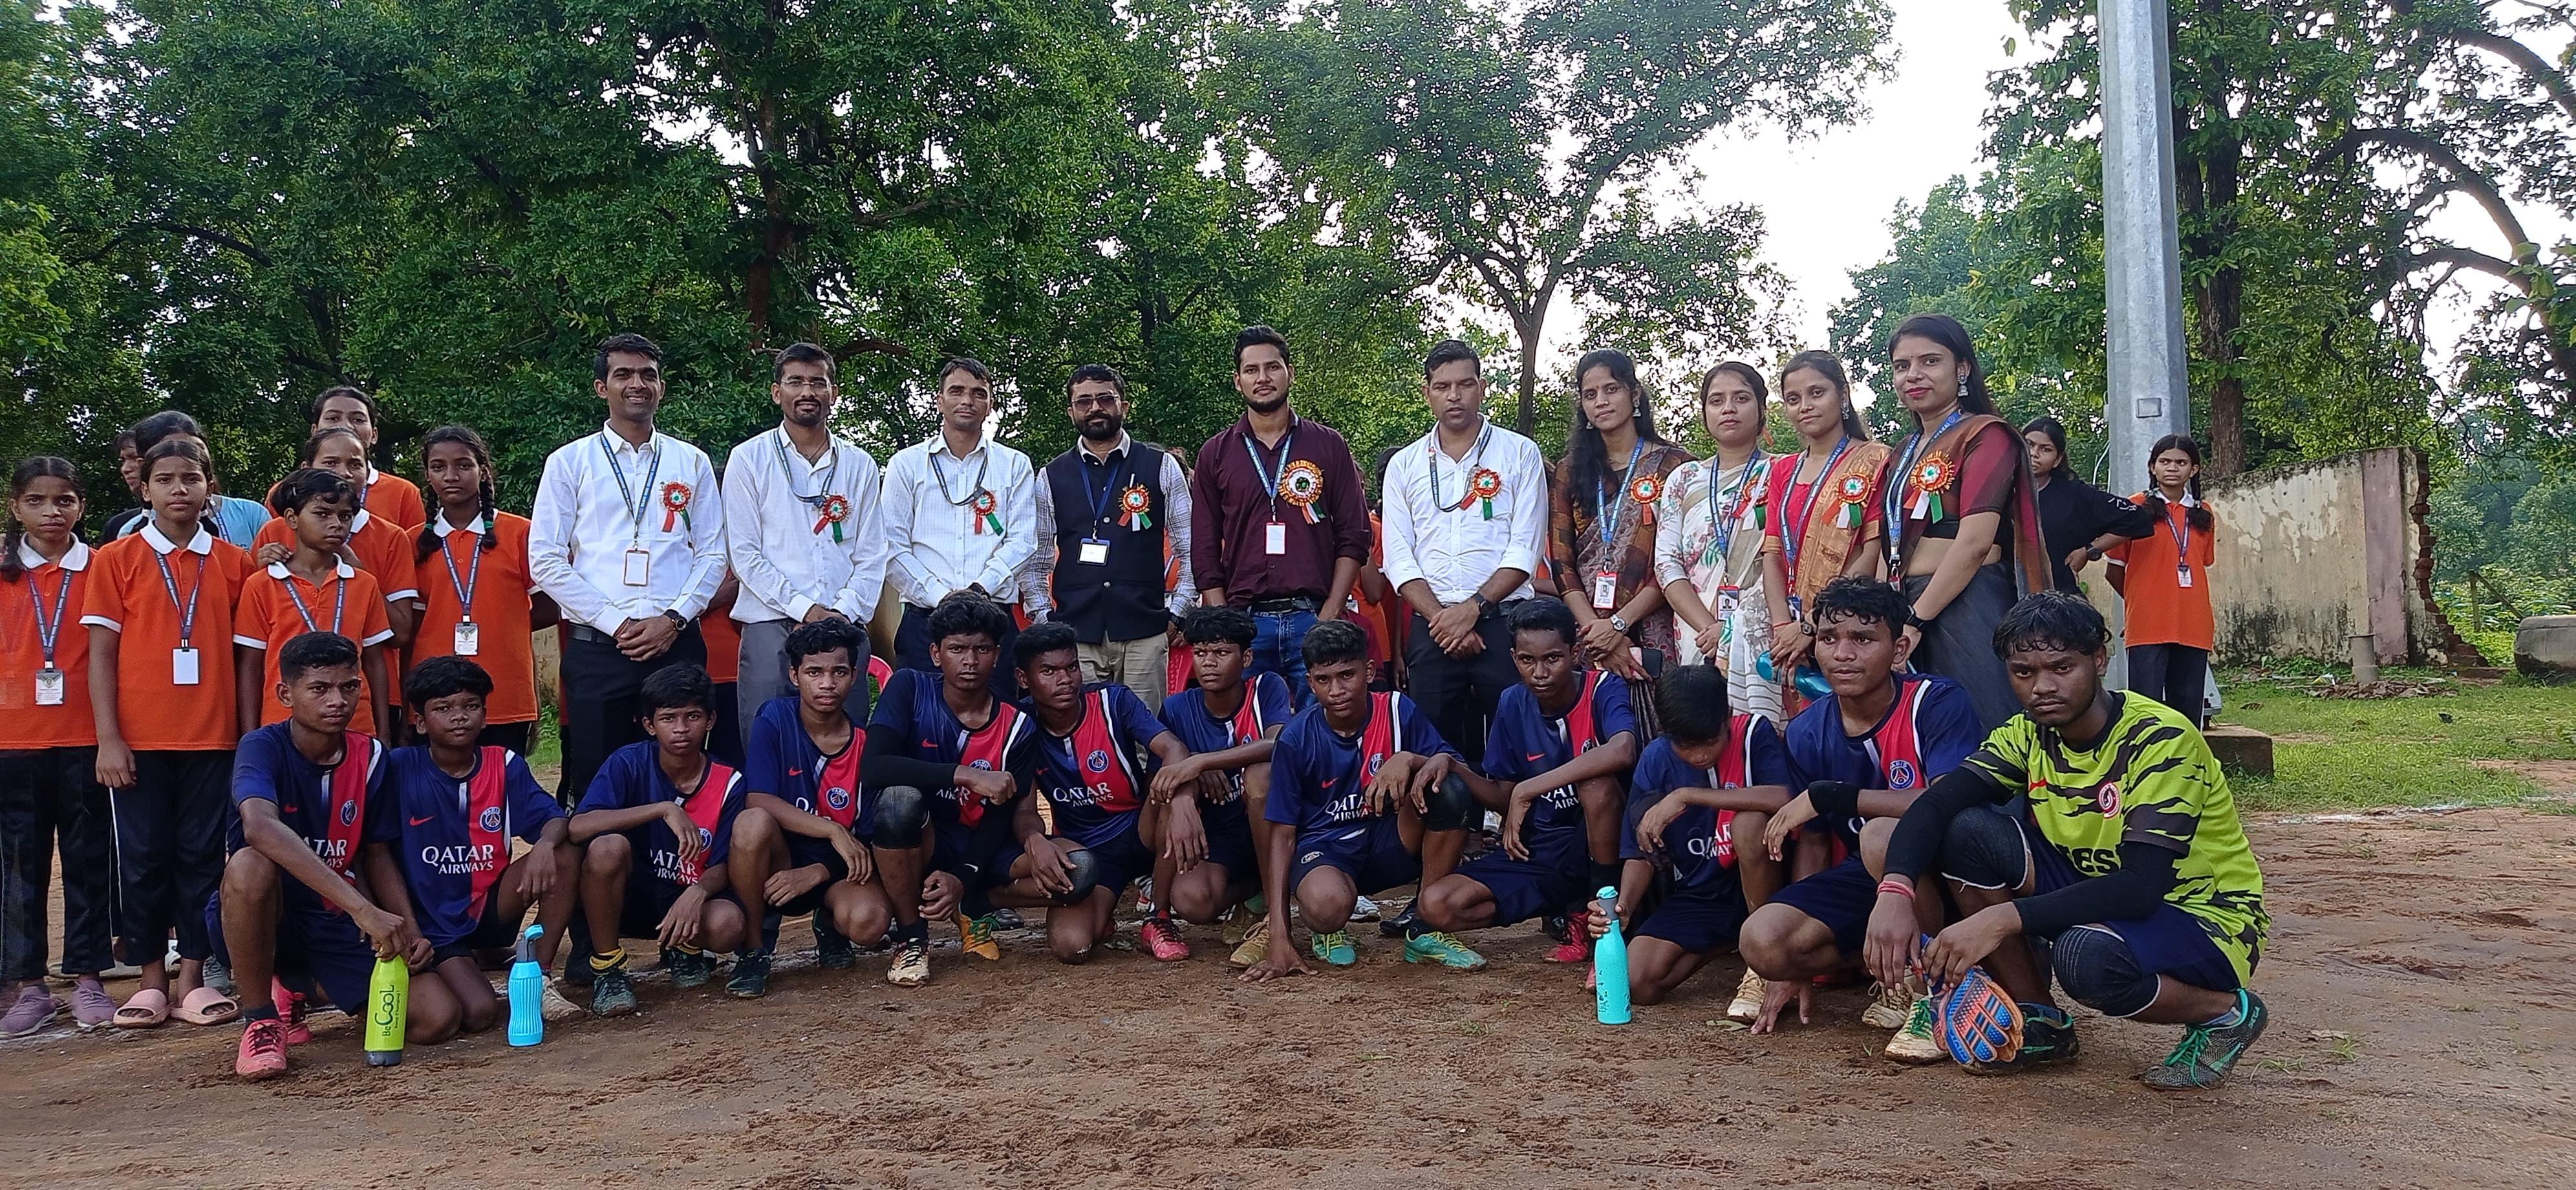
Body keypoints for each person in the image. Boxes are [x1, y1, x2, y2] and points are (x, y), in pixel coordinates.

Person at [1866, 592, 2270, 1087]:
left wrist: (1998, 919)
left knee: (2085, 958)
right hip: (2099, 890)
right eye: (2024, 672)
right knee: (1964, 830)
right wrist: (1895, 890)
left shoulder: (2160, 739)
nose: (2043, 687)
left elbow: (2141, 886)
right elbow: (1935, 805)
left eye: (2062, 668)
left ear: (2099, 660)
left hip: (2204, 917)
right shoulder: (2027, 734)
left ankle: (2225, 1013)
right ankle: (2041, 1020)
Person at [1734, 577, 1980, 1059]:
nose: (1842, 654)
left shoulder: (1935, 702)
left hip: (1948, 876)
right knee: (1763, 942)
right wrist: (1796, 964)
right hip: (1869, 877)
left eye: (1863, 639)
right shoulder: (1806, 730)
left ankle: (1933, 992)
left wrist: (1837, 797)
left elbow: (1950, 800)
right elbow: (1814, 842)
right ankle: (1888, 968)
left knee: (1882, 836)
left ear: (1899, 649)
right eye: (1829, 638)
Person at [211, 631, 447, 1079]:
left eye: (349, 687)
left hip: (333, 918)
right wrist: (363, 909)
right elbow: (258, 827)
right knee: (249, 864)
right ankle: (261, 1019)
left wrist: (409, 930)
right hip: (269, 913)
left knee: (435, 1018)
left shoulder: (371, 755)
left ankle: (301, 986)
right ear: (286, 694)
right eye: (319, 689)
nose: (337, 701)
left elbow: (376, 853)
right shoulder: (261, 746)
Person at [83, 435, 259, 1029]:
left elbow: (246, 659)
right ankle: (150, 978)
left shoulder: (234, 563)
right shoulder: (116, 559)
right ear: (144, 488)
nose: (179, 490)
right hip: (138, 742)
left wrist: (244, 736)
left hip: (213, 738)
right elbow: (101, 655)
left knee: (201, 858)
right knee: (142, 860)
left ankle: (193, 979)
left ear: (210, 487)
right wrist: (109, 739)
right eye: (165, 480)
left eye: (191, 478)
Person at [530, 332, 727, 802]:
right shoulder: (568, 462)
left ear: (661, 387)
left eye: (647, 375)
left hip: (676, 644)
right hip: (599, 649)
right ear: (602, 387)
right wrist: (617, 624)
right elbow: (546, 560)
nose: (637, 384)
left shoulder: (691, 461)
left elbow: (713, 554)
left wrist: (673, 619)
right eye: (623, 374)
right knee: (600, 781)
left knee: (680, 774)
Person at [1242, 620, 1479, 979]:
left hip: (1390, 839)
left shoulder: (1398, 710)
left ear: (1368, 671)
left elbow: (1458, 770)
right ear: (1310, 684)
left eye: (1346, 675)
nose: (1336, 690)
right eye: (1323, 680)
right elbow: (1283, 834)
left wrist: (1411, 760)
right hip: (1325, 848)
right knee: (1327, 907)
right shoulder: (1296, 737)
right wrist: (1279, 935)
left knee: (1447, 788)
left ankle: (1425, 929)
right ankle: (1327, 931)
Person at [1411, 598, 1638, 971]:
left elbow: (1623, 749)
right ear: (1513, 658)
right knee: (1436, 905)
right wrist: (1453, 765)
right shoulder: (1512, 701)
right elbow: (1504, 794)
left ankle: (1602, 916)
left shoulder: (1602, 688)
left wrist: (1529, 788)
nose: (1540, 673)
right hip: (1540, 850)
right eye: (1527, 661)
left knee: (1595, 785)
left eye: (1553, 658)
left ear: (1575, 653)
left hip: (1596, 844)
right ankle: (1561, 906)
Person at [380, 656, 577, 1034]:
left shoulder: (504, 763)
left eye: (470, 706)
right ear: (420, 722)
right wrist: (409, 928)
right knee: (480, 1012)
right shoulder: (399, 768)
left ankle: (540, 975)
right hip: (431, 922)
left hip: (488, 906)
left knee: (564, 852)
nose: (459, 717)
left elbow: (554, 820)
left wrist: (543, 846)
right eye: (443, 709)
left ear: (485, 717)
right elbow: (376, 852)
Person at [736, 618, 936, 991]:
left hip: (838, 870)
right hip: (781, 861)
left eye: (839, 672)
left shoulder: (867, 743)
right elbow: (758, 799)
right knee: (752, 823)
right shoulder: (774, 718)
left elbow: (869, 843)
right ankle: (754, 950)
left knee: (869, 923)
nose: (827, 683)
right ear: (794, 676)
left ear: (855, 676)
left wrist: (818, 871)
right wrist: (831, 830)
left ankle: (829, 924)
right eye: (814, 672)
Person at [980, 623, 1196, 963]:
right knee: (1071, 945)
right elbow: (1025, 809)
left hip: (1142, 828)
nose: (1064, 680)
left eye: (1071, 667)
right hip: (1090, 850)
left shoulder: (1113, 701)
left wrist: (1182, 803)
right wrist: (1035, 840)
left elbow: (1174, 748)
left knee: (1168, 783)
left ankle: (1159, 915)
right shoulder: (1021, 725)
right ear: (1023, 679)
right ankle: (1100, 911)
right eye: (1049, 672)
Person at [1875, 314, 2050, 731]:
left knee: (1983, 728)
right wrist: (1885, 614)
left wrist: (1917, 620)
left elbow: (1975, 543)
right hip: (1905, 608)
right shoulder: (1902, 451)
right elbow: (1890, 538)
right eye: (1902, 366)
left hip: (1965, 603)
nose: (1913, 375)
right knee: (1921, 734)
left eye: (1930, 361)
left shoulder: (1986, 435)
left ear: (1963, 369)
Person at [1381, 339, 1548, 768]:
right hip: (1432, 627)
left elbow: (1524, 549)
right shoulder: (1405, 464)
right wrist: (1445, 621)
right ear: (1427, 393)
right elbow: (1398, 558)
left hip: (1504, 623)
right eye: (1442, 387)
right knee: (1431, 752)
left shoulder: (1519, 453)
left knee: (1523, 747)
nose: (1454, 396)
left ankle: (1521, 811)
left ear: (1482, 388)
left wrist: (1472, 609)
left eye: (1465, 384)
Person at [1190, 325, 1372, 703]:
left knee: (1320, 726)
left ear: (1290, 372)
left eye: (1272, 367)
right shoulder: (1216, 453)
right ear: (1238, 381)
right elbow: (1204, 546)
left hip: (1314, 615)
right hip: (1246, 622)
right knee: (1251, 729)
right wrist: (1226, 624)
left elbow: (1354, 535)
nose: (1263, 378)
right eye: (1252, 370)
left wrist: (1330, 612)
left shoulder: (1328, 445)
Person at [1596, 662, 1792, 1009]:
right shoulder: (1656, 758)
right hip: (1703, 893)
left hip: (1768, 886)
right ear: (1665, 733)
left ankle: (1761, 964)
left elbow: (1785, 798)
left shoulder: (1753, 733)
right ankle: (1733, 939)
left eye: (1711, 741)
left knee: (1748, 825)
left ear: (1727, 716)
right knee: (1636, 982)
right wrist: (1623, 907)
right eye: (1686, 746)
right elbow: (1641, 851)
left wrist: (1688, 796)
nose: (1701, 755)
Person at [0, 459, 118, 1034]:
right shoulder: (3, 571)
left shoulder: (102, 567)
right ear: (15, 507)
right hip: (12, 740)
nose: (52, 512)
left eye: (65, 500)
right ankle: (30, 986)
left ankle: (90, 978)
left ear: (82, 506)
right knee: (19, 867)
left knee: (89, 860)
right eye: (38, 501)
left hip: (86, 738)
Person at [859, 591, 1038, 962]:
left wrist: (963, 876)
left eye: (982, 649)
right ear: (936, 653)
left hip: (979, 845)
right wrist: (964, 776)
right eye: (957, 649)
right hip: (918, 837)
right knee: (899, 800)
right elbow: (874, 766)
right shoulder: (909, 687)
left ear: (997, 655)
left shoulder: (1018, 723)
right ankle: (912, 937)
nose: (970, 661)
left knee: (1080, 874)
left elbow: (1001, 815)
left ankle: (974, 902)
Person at [567, 664, 747, 1015]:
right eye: (668, 718)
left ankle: (685, 948)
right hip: (630, 898)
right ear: (649, 725)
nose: (681, 729)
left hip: (686, 897)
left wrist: (698, 893)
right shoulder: (628, 762)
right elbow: (579, 827)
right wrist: (662, 809)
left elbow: (727, 861)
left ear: (711, 720)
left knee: (727, 925)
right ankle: (608, 968)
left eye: (692, 716)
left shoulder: (730, 781)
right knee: (607, 847)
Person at [721, 342, 888, 722]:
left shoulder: (859, 464)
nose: (807, 392)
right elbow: (743, 554)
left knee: (847, 738)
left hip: (844, 623)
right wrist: (807, 611)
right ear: (777, 392)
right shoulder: (749, 458)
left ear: (834, 393)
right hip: (770, 623)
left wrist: (841, 613)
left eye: (818, 382)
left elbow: (872, 553)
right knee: (768, 734)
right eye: (795, 382)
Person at [1024, 364, 1193, 700]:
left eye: (1105, 399)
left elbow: (1191, 550)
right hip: (1076, 635)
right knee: (1087, 729)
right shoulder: (1050, 476)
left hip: (1145, 631)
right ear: (1071, 411)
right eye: (1084, 401)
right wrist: (1045, 621)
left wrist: (1179, 612)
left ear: (1124, 406)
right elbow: (1035, 561)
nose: (1095, 408)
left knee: (1147, 729)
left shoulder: (1160, 466)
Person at [881, 357, 1038, 696]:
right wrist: (942, 597)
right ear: (939, 401)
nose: (967, 400)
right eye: (957, 391)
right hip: (925, 619)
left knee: (997, 716)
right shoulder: (906, 464)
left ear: (990, 405)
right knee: (922, 716)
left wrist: (979, 591)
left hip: (994, 618)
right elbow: (891, 546)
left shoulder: (1015, 465)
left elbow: (1023, 541)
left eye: (979, 393)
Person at [1152, 606, 1291, 967]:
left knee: (1260, 775)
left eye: (1221, 652)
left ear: (1246, 658)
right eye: (1200, 653)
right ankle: (1248, 893)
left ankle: (1273, 919)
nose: (1209, 663)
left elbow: (1278, 744)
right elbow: (1161, 781)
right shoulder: (1178, 707)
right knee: (1192, 902)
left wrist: (1204, 761)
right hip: (1218, 834)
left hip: (1270, 823)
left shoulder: (1267, 688)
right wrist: (1190, 776)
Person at [1548, 348, 1695, 679]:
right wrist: (1596, 630)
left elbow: (1678, 559)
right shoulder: (1569, 471)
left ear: (1635, 393)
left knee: (1662, 706)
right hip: (1587, 630)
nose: (1601, 401)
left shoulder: (1677, 466)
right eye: (1590, 394)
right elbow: (1562, 562)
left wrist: (1619, 624)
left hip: (1655, 620)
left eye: (1611, 389)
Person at [410, 426, 557, 755]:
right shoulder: (413, 542)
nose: (451, 476)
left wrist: (504, 625)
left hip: (505, 691)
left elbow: (550, 607)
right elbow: (411, 624)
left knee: (501, 780)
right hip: (434, 693)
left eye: (464, 465)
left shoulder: (520, 533)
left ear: (484, 471)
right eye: (438, 467)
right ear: (428, 475)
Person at [1759, 351, 1889, 715]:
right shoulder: (1782, 470)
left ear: (1843, 395)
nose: (1805, 406)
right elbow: (1772, 553)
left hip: (1849, 624)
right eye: (1793, 399)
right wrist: (1783, 626)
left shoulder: (1876, 459)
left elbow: (1872, 552)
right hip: (1787, 635)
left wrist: (1814, 624)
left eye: (1817, 393)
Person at [1658, 361, 1785, 724]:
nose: (1728, 408)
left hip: (1761, 630)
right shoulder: (1684, 478)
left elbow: (1787, 556)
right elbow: (1667, 563)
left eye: (1741, 398)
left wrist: (1734, 629)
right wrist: (1710, 628)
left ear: (1762, 408)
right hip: (1697, 634)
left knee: (1761, 732)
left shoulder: (1785, 471)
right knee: (1703, 731)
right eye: (1717, 401)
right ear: (1705, 413)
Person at [233, 469, 397, 737]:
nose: (336, 524)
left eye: (345, 516)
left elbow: (375, 663)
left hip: (355, 726)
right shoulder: (262, 585)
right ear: (292, 518)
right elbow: (250, 667)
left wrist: (384, 735)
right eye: (322, 514)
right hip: (283, 728)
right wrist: (251, 737)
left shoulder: (364, 583)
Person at [253, 428, 422, 658]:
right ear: (307, 469)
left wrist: (360, 574)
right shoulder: (275, 531)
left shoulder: (392, 537)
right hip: (286, 678)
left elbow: (401, 634)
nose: (344, 473)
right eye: (331, 463)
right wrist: (262, 568)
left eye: (355, 464)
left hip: (363, 677)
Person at [2109, 435, 2218, 728]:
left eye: (2181, 463)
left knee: (2188, 708)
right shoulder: (2135, 508)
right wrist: (2140, 604)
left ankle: (2185, 756)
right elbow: (2114, 570)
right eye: (2165, 461)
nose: (2172, 468)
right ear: (2152, 467)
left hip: (2194, 623)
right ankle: (2144, 756)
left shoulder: (2204, 513)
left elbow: (2202, 563)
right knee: (2146, 709)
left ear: (2194, 470)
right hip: (2148, 625)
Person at [263, 387, 429, 530]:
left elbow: (414, 551)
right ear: (315, 430)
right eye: (333, 418)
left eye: (358, 420)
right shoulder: (285, 492)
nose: (346, 426)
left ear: (374, 435)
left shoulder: (403, 493)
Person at [2022, 416, 2154, 594]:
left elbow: (2137, 518)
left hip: (2057, 598)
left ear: (2057, 459)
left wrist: (2090, 550)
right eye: (2029, 444)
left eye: (2046, 449)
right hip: (2004, 597)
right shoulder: (1999, 492)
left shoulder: (2075, 495)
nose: (2034, 453)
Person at [115, 412, 270, 547]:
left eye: (197, 448)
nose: (189, 458)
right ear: (145, 465)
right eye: (173, 449)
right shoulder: (130, 533)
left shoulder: (251, 514)